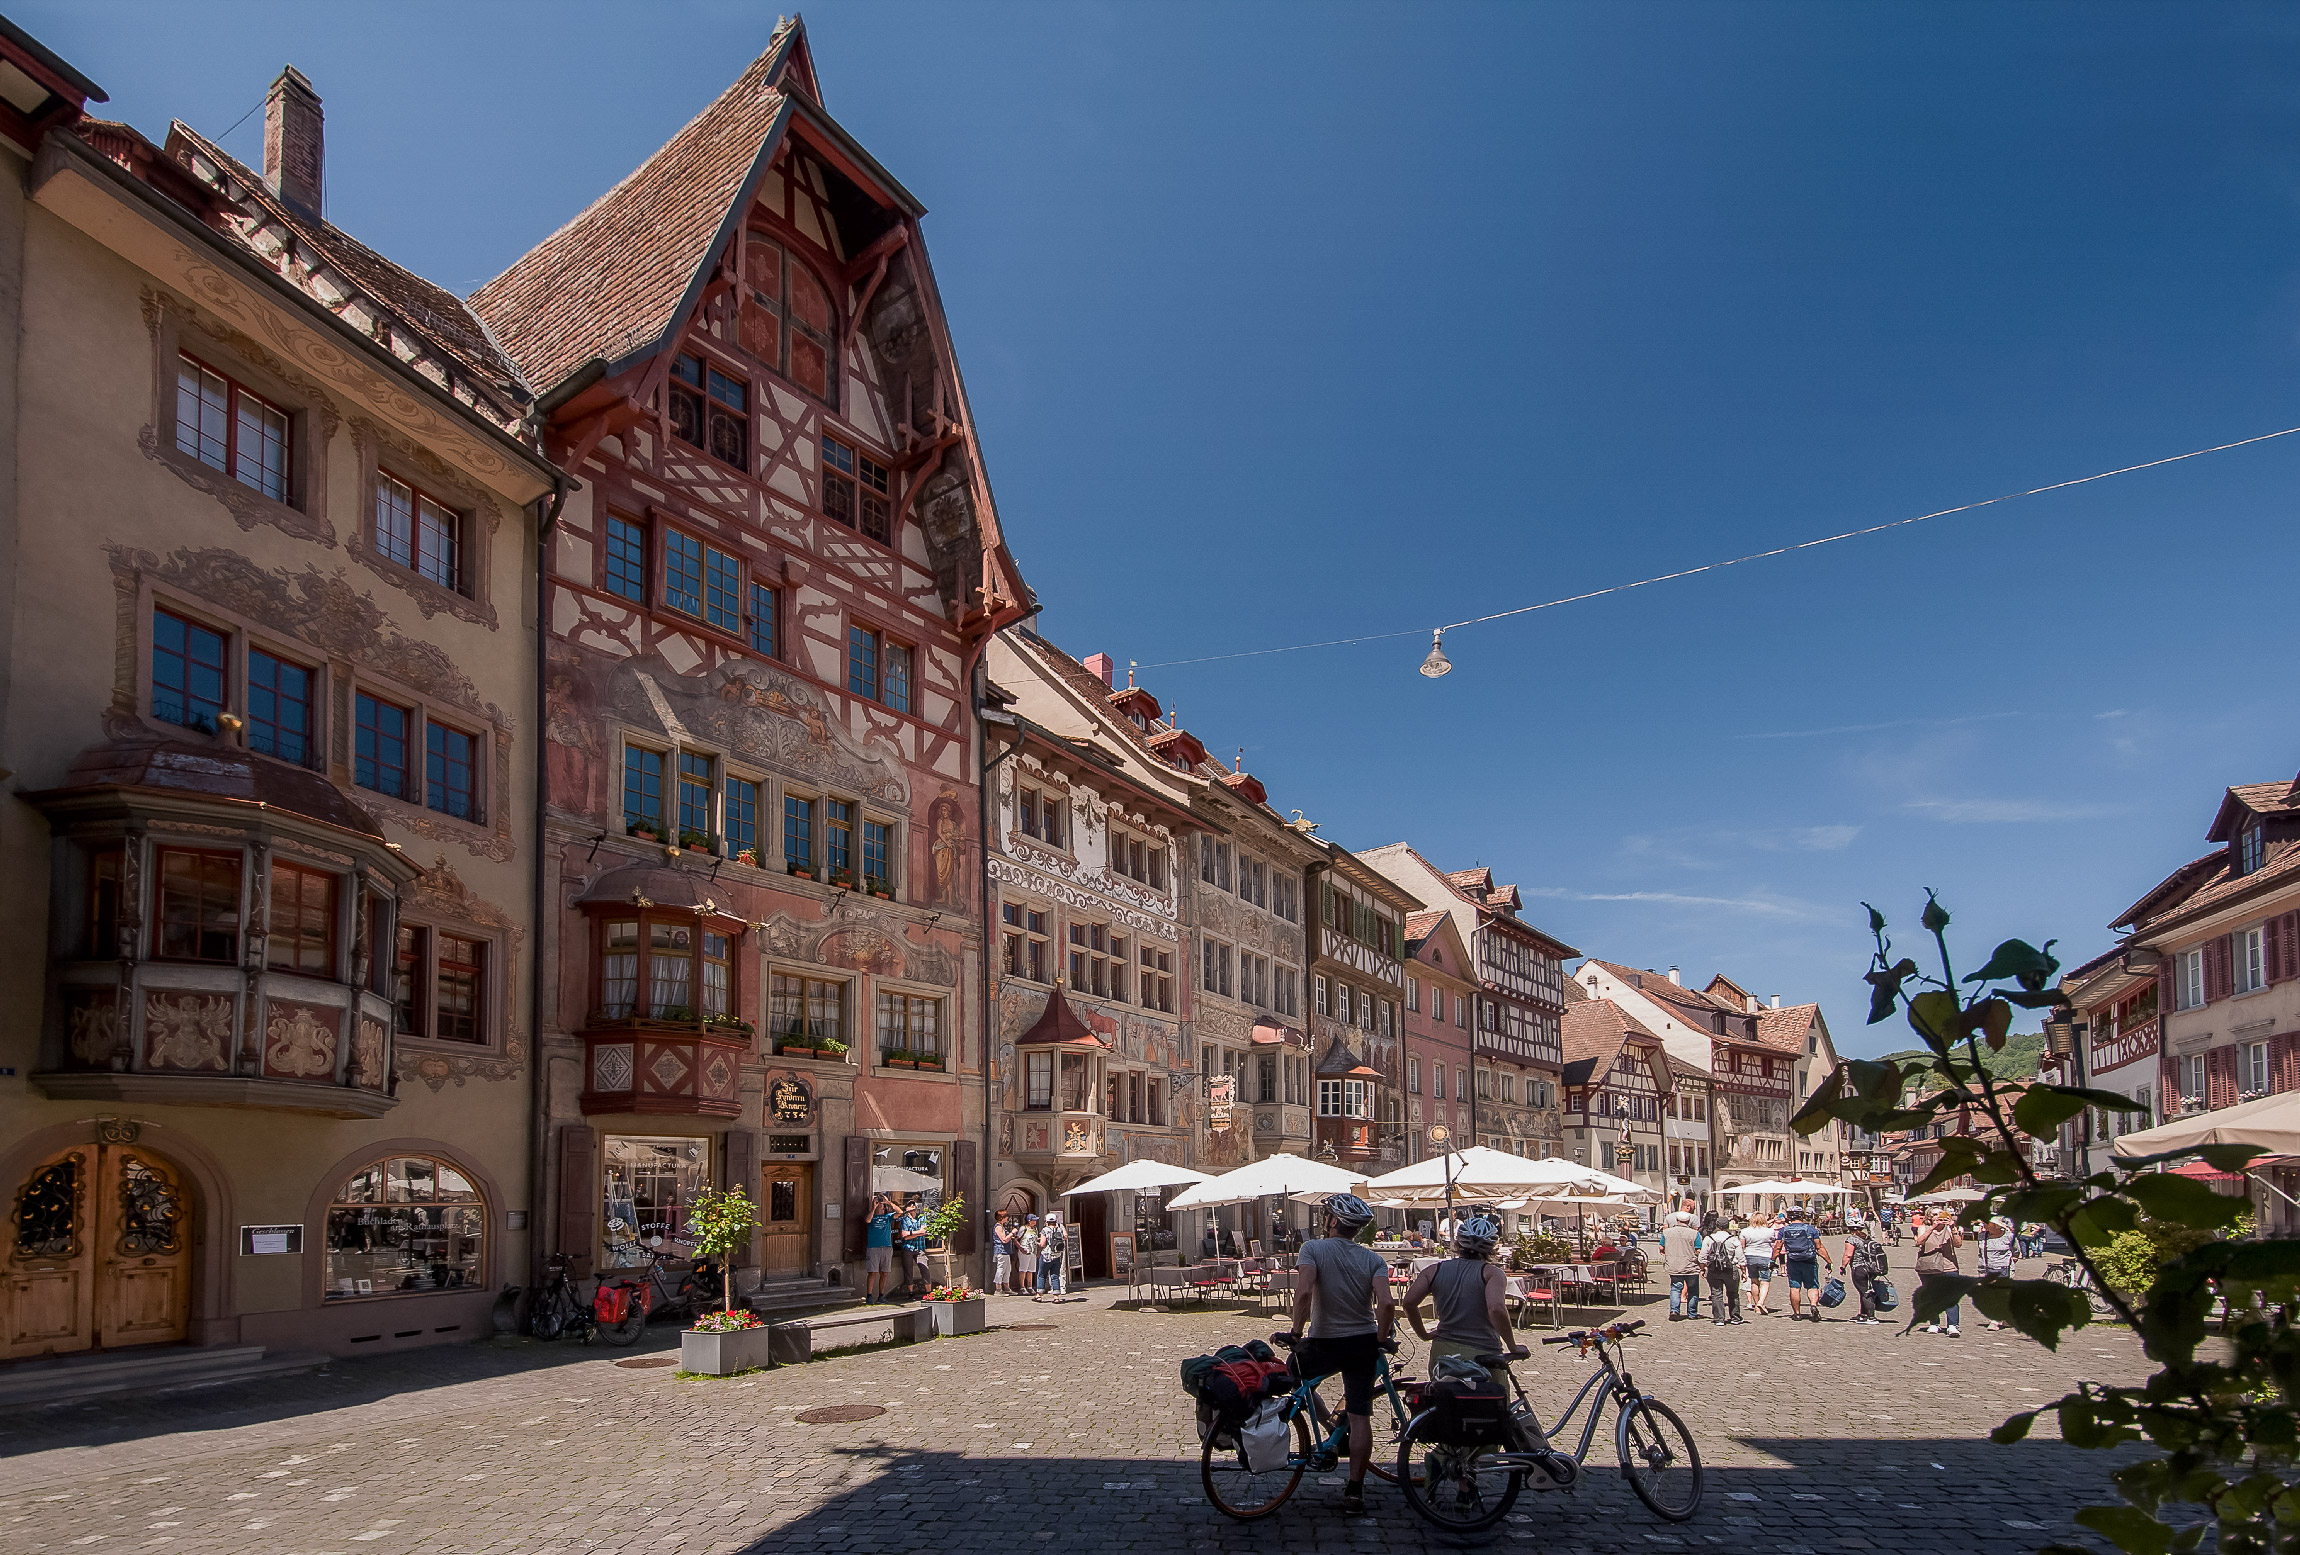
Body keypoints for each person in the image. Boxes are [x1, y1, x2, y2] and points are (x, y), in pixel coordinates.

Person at [1289, 1193, 1397, 1518]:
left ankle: (1325, 1422)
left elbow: (1305, 1291)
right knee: (1361, 1415)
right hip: (1362, 1342)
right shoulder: (1374, 1260)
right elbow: (1387, 1304)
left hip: (1324, 1340)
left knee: (1292, 1374)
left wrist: (1295, 1332)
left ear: (1333, 1221)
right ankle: (1354, 1490)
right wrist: (1380, 1339)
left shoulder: (1312, 1249)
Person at [1914, 1209, 1966, 1337]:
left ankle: (1953, 1325)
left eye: (1941, 1214)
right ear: (1929, 1217)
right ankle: (1934, 1323)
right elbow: (1919, 1242)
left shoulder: (1949, 1228)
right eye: (1935, 1215)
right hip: (1929, 1267)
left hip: (1948, 1267)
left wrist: (1953, 1228)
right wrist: (1932, 1228)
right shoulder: (1924, 1227)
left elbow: (1958, 1244)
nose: (1939, 1217)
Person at [1776, 1208, 1834, 1322]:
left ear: (1789, 1217)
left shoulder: (1784, 1230)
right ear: (1802, 1216)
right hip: (1809, 1261)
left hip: (1793, 1261)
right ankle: (1813, 1305)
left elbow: (1777, 1247)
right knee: (1812, 1286)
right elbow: (1819, 1247)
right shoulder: (1811, 1229)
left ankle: (1797, 1314)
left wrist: (1772, 1261)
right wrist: (1828, 1261)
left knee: (1794, 1287)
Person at [1699, 1212, 1745, 1325]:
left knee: (1716, 1294)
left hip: (1714, 1268)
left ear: (1717, 1225)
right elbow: (1740, 1257)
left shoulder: (1709, 1238)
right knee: (1733, 1293)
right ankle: (1735, 1317)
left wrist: (1703, 1268)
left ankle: (1719, 1318)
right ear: (1728, 1226)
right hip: (1730, 1268)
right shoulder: (1733, 1239)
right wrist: (1743, 1270)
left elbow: (1702, 1256)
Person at [1974, 1217, 2016, 1330]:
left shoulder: (2008, 1236)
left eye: (1987, 1223)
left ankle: (1995, 1320)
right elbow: (1980, 1252)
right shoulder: (1982, 1236)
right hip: (1985, 1269)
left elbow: (2016, 1250)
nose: (1984, 1225)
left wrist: (2012, 1260)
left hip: (2003, 1269)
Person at [1843, 1220, 1889, 1325]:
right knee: (1864, 1291)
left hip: (1859, 1268)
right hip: (1870, 1269)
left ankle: (1871, 1316)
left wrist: (1843, 1266)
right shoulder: (1866, 1237)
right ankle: (1863, 1314)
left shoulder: (1851, 1239)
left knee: (1866, 1292)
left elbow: (1848, 1255)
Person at [1663, 1210, 1702, 1321]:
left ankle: (1674, 1310)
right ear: (1689, 1221)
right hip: (1691, 1265)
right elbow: (1699, 1248)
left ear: (1677, 1220)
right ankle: (1692, 1313)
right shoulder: (1695, 1234)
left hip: (1674, 1264)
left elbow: (1661, 1247)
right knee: (1693, 1290)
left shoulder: (1667, 1233)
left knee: (1675, 1288)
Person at [1739, 1212, 1778, 1315]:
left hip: (1750, 1256)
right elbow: (1773, 1241)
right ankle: (1761, 1302)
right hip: (1765, 1256)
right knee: (1765, 1281)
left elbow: (1742, 1246)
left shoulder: (1745, 1231)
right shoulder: (1770, 1231)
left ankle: (1756, 1306)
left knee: (1754, 1281)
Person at [863, 1192, 899, 1303]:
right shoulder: (871, 1216)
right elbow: (867, 1220)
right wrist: (873, 1208)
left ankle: (881, 1295)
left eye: (882, 1206)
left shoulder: (887, 1217)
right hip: (873, 1247)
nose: (881, 1207)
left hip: (886, 1247)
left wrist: (888, 1202)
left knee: (884, 1272)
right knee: (872, 1272)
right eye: (879, 1205)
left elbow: (900, 1212)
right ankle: (869, 1296)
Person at [899, 1198, 928, 1294]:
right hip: (908, 1247)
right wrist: (918, 1233)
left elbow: (924, 1231)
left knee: (924, 1268)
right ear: (906, 1208)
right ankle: (910, 1292)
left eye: (913, 1205)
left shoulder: (922, 1217)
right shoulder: (904, 1219)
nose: (912, 1206)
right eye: (910, 1205)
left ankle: (929, 1292)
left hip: (920, 1247)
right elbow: (904, 1236)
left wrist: (911, 1233)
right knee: (908, 1270)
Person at [1040, 1212, 1068, 1295]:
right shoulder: (1060, 1227)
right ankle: (1061, 1288)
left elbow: (1042, 1243)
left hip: (1048, 1253)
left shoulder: (1045, 1229)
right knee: (1060, 1270)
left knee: (1046, 1272)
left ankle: (1052, 1288)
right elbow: (1065, 1236)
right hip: (1059, 1252)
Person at [991, 1211, 1016, 1294]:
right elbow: (1004, 1239)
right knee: (1000, 1270)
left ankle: (1006, 1287)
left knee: (1007, 1270)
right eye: (1006, 1217)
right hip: (1001, 1251)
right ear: (1001, 1218)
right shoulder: (998, 1227)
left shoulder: (1002, 1227)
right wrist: (1012, 1233)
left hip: (1006, 1251)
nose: (1007, 1219)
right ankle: (998, 1289)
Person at [1017, 1214, 1042, 1294]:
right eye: (1033, 1220)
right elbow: (1016, 1239)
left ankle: (1030, 1286)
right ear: (1029, 1220)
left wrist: (1038, 1251)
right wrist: (1020, 1248)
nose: (1035, 1221)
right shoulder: (1023, 1228)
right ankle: (1022, 1287)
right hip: (1025, 1251)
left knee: (1031, 1270)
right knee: (1023, 1269)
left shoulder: (1035, 1229)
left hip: (1033, 1251)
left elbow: (1035, 1240)